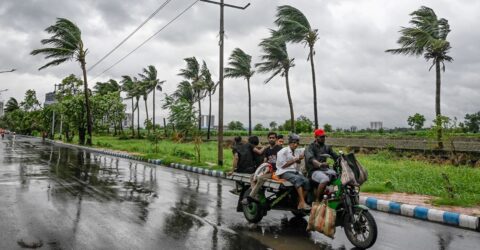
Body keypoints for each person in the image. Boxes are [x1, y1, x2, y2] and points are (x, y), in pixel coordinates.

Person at [276, 134, 310, 210]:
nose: (295, 145)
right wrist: (296, 159)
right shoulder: (282, 152)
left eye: (297, 143)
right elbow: (283, 165)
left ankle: (300, 202)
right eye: (294, 143)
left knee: (307, 181)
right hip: (284, 172)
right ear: (289, 143)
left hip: (294, 172)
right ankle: (302, 202)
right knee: (298, 179)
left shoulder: (297, 151)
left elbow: (306, 149)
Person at [305, 129, 339, 202]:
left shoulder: (327, 147)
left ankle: (333, 196)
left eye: (324, 137)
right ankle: (317, 200)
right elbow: (311, 159)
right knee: (325, 179)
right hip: (313, 171)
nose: (323, 138)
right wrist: (320, 164)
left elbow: (335, 156)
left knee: (338, 176)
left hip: (324, 170)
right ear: (316, 137)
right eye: (321, 137)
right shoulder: (310, 147)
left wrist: (343, 159)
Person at [248, 132, 283, 201]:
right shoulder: (267, 149)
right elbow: (265, 161)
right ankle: (256, 196)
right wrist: (261, 170)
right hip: (267, 169)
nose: (271, 139)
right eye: (270, 138)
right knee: (252, 176)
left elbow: (282, 162)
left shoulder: (279, 149)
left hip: (275, 171)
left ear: (276, 139)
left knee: (260, 178)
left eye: (273, 138)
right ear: (268, 139)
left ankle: (250, 197)